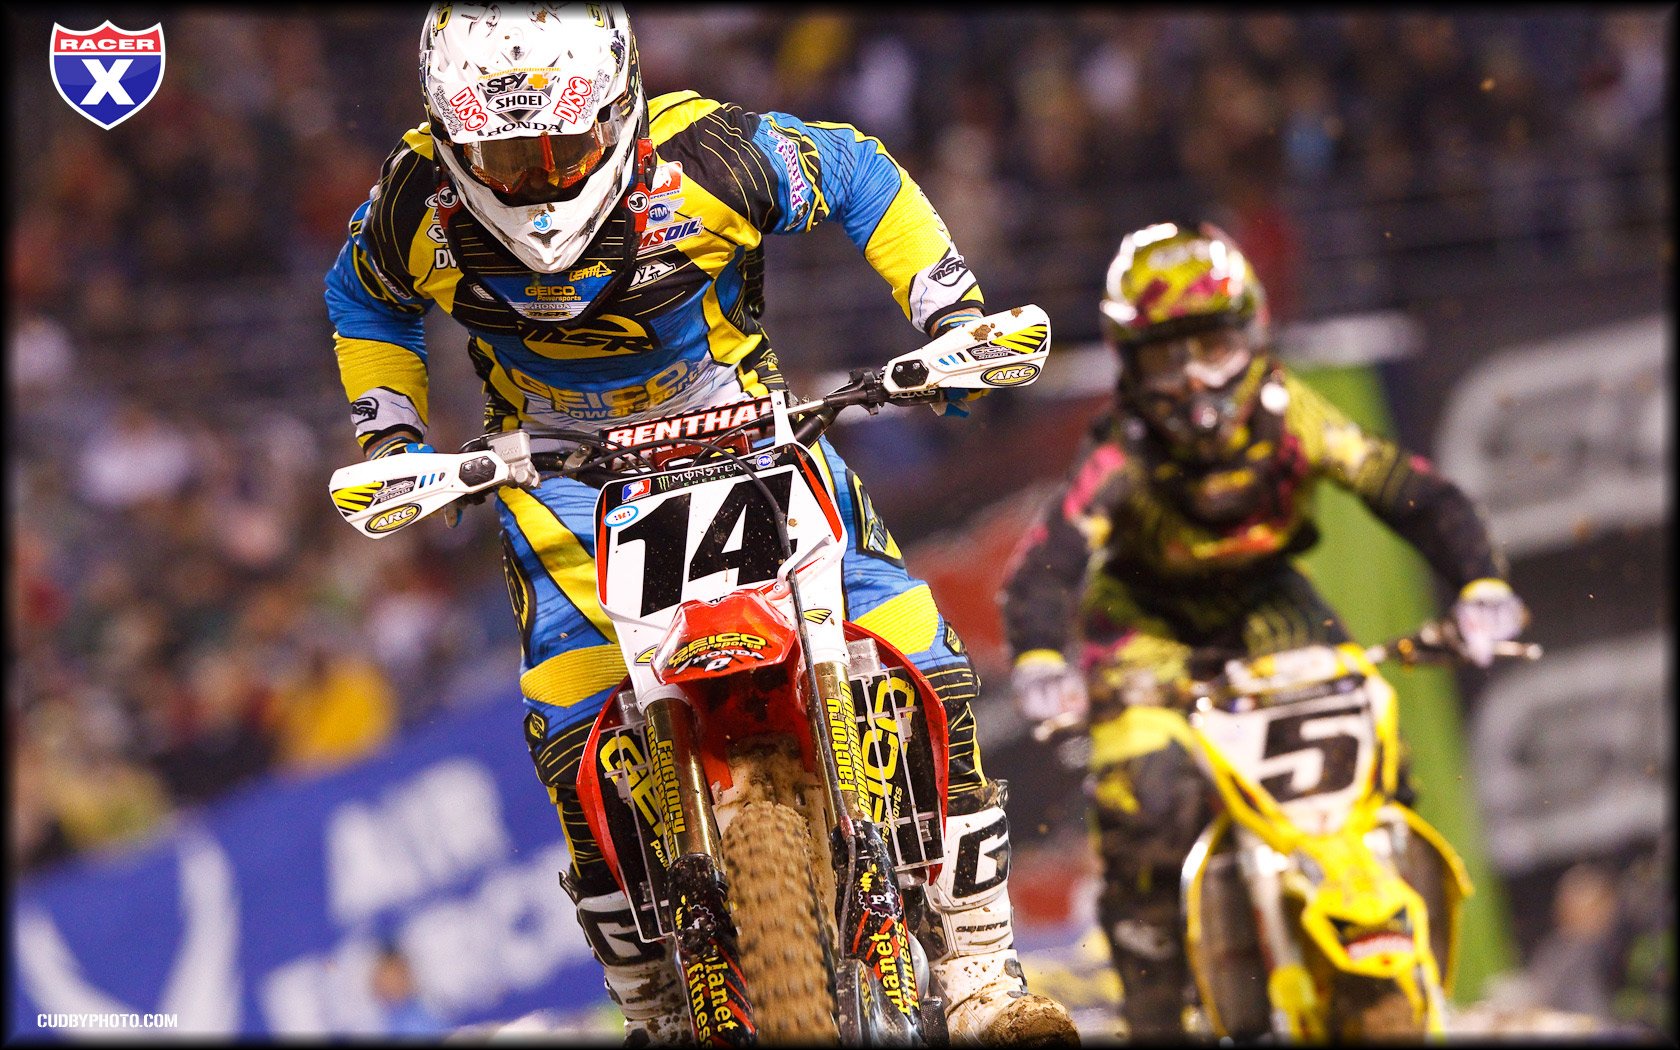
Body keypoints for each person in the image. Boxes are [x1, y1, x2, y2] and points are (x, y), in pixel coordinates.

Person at [323, 4, 1075, 1044]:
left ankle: (984, 975)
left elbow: (856, 170)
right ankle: (650, 1007)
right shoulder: (416, 200)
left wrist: (949, 311)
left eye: (560, 147)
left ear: (619, 109)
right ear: (452, 142)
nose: (536, 179)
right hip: (561, 478)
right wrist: (392, 435)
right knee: (573, 735)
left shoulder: (711, 155)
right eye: (504, 156)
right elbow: (363, 296)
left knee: (924, 655)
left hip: (750, 433)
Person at [998, 221, 1528, 1040]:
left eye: (1212, 346)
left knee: (1375, 752)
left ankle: (1401, 955)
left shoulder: (1293, 413)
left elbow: (1413, 492)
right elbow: (1046, 564)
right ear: (1130, 365)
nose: (1195, 380)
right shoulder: (1119, 455)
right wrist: (1040, 657)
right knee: (1147, 800)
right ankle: (1156, 1020)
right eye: (1168, 356)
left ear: (1252, 335)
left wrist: (1482, 581)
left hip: (1268, 604)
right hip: (1146, 627)